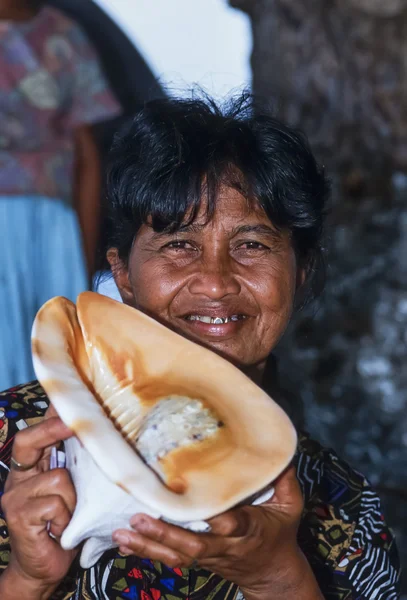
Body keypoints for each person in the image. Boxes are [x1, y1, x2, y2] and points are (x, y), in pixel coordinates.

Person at [0, 95, 400, 599]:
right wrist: (26, 580)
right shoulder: (17, 442)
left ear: (300, 274)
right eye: (178, 245)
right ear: (123, 274)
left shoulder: (342, 510)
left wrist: (278, 576)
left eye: (252, 245)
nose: (214, 282)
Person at [0, 0, 121, 389]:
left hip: (51, 233)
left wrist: (81, 263)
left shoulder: (63, 36)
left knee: (53, 372)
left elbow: (87, 158)